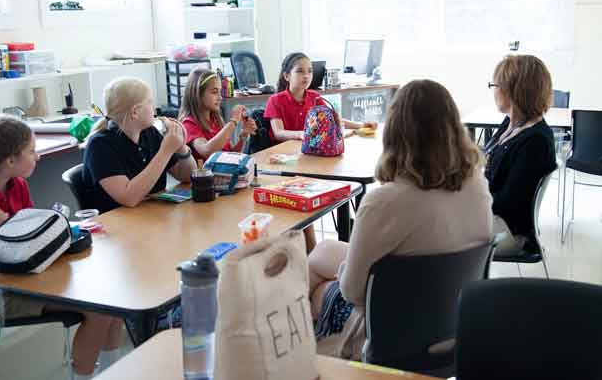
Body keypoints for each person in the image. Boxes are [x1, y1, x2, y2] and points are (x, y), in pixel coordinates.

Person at [0, 115, 121, 379]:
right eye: (31, 151)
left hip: (18, 274)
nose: (37, 157)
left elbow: (33, 237)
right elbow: (14, 236)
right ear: (10, 160)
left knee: (114, 300)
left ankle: (113, 371)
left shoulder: (17, 184)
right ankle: (85, 375)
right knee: (98, 310)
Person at [306, 80, 493, 360]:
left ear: (394, 132)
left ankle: (303, 355)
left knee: (317, 286)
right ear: (454, 128)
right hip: (455, 326)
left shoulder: (384, 202)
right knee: (321, 251)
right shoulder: (477, 186)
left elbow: (352, 292)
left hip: (393, 335)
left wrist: (344, 272)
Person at [264, 52, 377, 252]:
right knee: (305, 207)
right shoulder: (276, 100)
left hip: (313, 158)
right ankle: (314, 251)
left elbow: (336, 120)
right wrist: (301, 134)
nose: (306, 76)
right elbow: (278, 132)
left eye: (309, 71)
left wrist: (360, 124)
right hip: (288, 163)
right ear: (286, 76)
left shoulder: (315, 97)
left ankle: (337, 248)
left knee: (344, 185)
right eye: (300, 71)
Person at [83, 77, 196, 214]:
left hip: (151, 216)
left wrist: (181, 147)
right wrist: (166, 151)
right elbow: (129, 198)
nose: (154, 108)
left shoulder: (150, 133)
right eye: (150, 102)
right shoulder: (100, 145)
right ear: (135, 111)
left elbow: (187, 176)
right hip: (116, 225)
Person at [484, 54, 557, 255]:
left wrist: (467, 197)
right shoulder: (512, 123)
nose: (493, 90)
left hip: (508, 231)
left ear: (514, 90)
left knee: (434, 229)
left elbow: (509, 204)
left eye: (495, 85)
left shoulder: (536, 140)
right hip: (491, 214)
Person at [179, 68, 257, 161]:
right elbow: (207, 151)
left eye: (220, 92)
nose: (220, 97)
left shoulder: (216, 120)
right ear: (198, 94)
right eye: (214, 92)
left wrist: (243, 136)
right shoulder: (189, 123)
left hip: (222, 173)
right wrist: (233, 122)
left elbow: (231, 154)